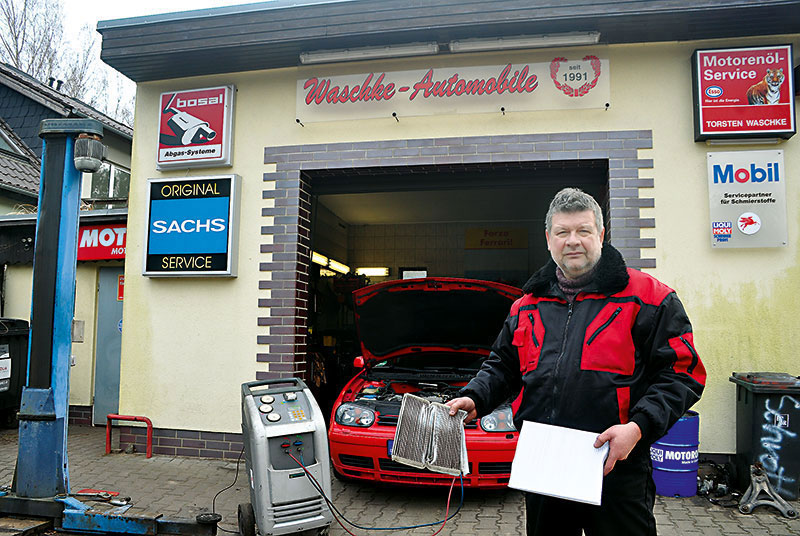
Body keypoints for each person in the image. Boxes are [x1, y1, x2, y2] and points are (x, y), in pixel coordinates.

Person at [446, 187, 706, 536]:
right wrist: (475, 396)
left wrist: (638, 427)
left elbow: (683, 373)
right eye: (562, 232)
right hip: (545, 463)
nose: (573, 241)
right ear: (548, 239)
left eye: (583, 231)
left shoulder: (648, 297)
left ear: (600, 234)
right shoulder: (527, 304)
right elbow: (503, 365)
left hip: (615, 462)